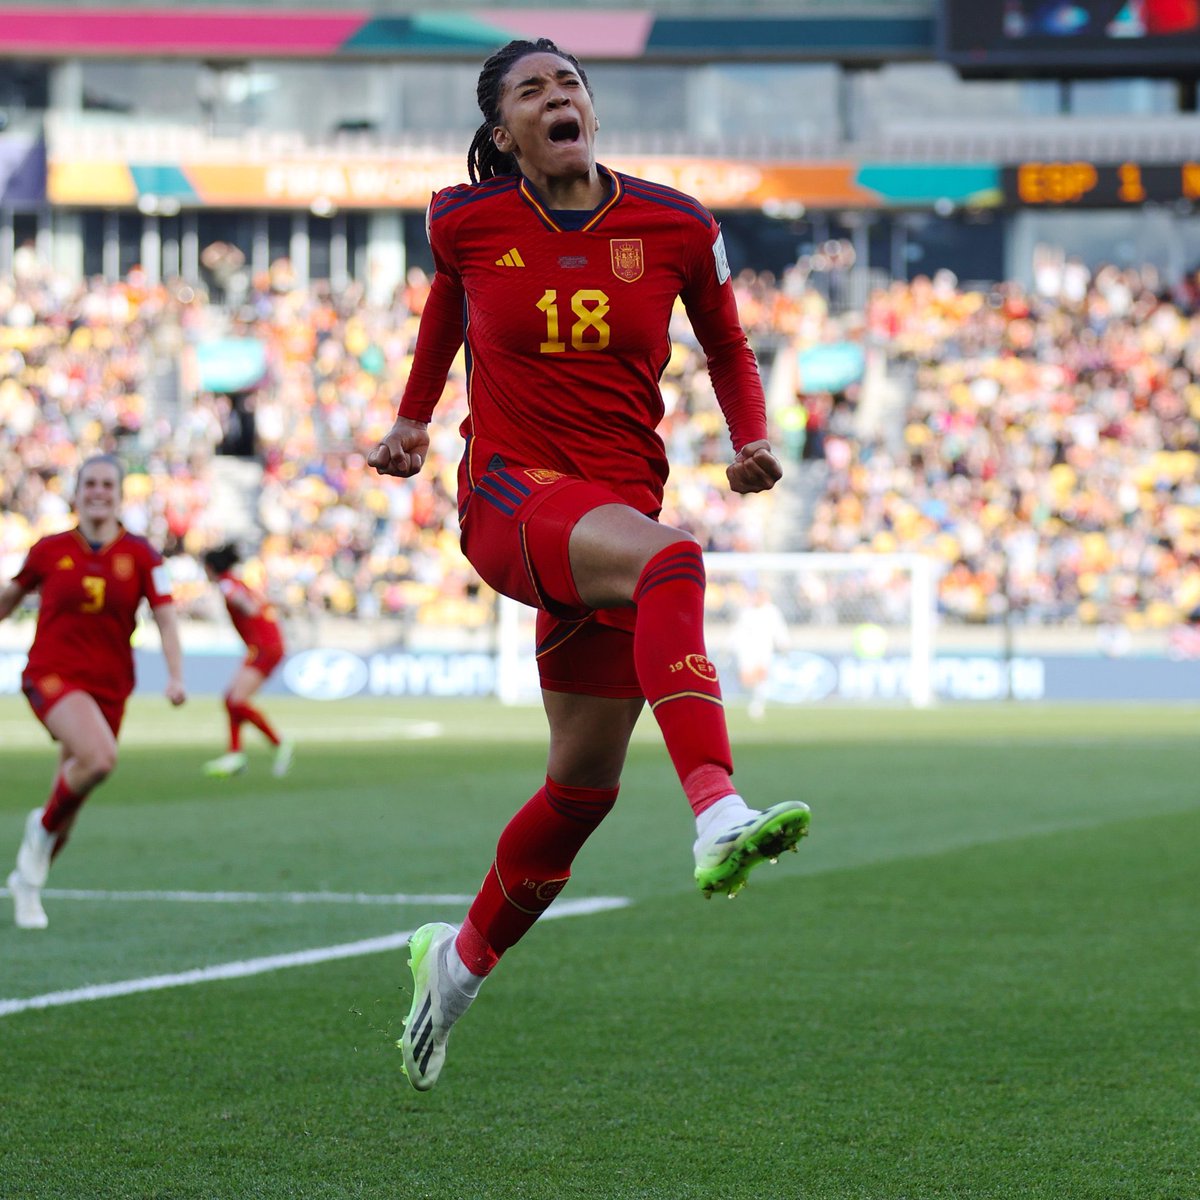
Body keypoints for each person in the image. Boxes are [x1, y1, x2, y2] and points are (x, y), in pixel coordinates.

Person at [368, 37, 811, 1091]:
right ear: (503, 130)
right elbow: (446, 308)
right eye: (533, 90)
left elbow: (728, 343)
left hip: (608, 514)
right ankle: (717, 812)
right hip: (512, 498)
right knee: (674, 566)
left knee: (581, 788)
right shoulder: (467, 221)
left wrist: (749, 435)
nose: (558, 96)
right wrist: (412, 421)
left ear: (591, 110)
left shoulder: (675, 223)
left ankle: (457, 969)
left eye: (569, 84)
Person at [0, 454, 187, 930]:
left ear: (120, 493)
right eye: (90, 483)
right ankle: (38, 834)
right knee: (99, 759)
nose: (99, 491)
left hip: (111, 686)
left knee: (72, 796)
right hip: (52, 673)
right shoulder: (49, 549)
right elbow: (11, 596)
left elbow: (166, 619)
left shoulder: (143, 555)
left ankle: (28, 882)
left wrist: (175, 675)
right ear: (76, 492)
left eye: (107, 483)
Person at [200, 543, 293, 778]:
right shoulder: (238, 580)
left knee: (236, 699)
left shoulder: (227, 584)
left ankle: (278, 743)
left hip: (264, 647)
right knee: (231, 699)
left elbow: (244, 603)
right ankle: (235, 755)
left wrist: (246, 605)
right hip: (266, 645)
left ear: (211, 568)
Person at [732, 586, 790, 719]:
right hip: (747, 649)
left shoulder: (772, 611)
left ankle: (757, 705)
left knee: (762, 677)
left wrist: (784, 644)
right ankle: (752, 699)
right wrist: (730, 646)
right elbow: (737, 630)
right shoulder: (747, 611)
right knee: (747, 679)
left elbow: (779, 629)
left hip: (764, 649)